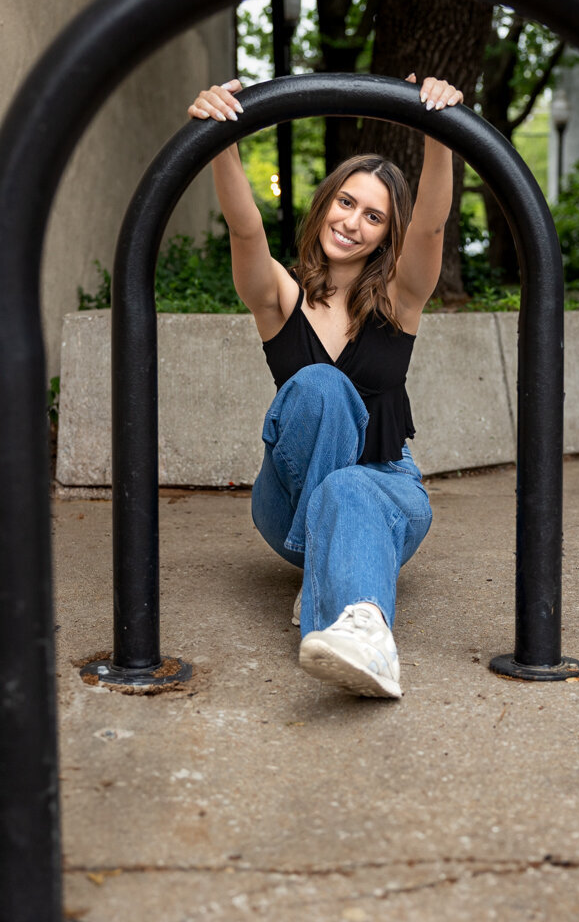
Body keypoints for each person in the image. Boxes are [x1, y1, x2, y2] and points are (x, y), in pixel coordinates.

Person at [188, 73, 463, 699]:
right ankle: (328, 578)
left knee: (349, 485)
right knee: (321, 386)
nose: (354, 222)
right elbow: (245, 229)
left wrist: (440, 136)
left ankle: (365, 637)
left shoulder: (398, 301)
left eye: (374, 216)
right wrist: (220, 136)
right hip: (286, 504)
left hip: (386, 488)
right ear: (324, 203)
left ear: (385, 235)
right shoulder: (280, 298)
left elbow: (429, 231)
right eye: (346, 203)